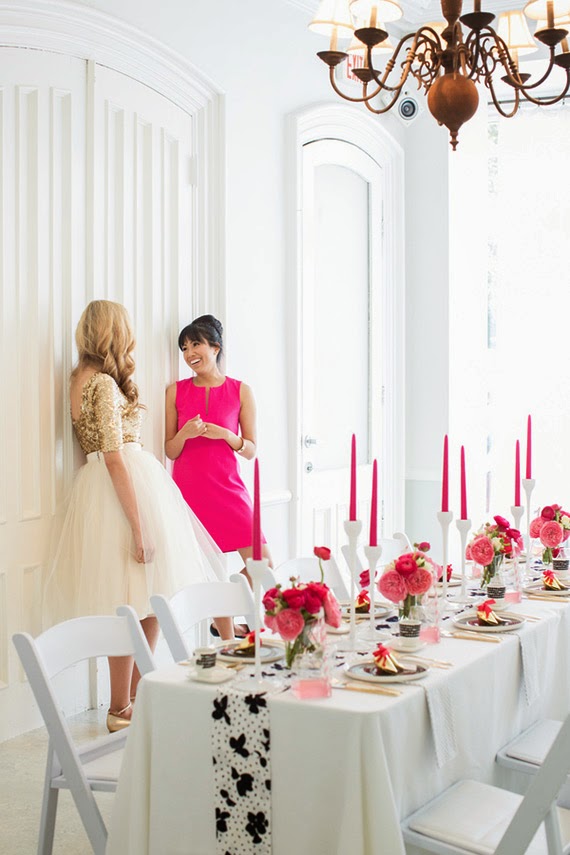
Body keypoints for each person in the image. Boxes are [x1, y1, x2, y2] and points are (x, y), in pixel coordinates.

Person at [45, 300, 231, 732]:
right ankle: (120, 705)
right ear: (115, 332)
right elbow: (113, 456)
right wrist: (139, 526)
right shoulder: (102, 383)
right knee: (133, 600)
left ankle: (135, 694)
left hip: (107, 485)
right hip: (123, 488)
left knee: (145, 597)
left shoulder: (79, 378)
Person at [165, 315, 272, 609]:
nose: (189, 353)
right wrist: (185, 434)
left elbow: (250, 450)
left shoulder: (241, 390)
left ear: (215, 347)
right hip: (190, 493)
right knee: (209, 573)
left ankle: (226, 612)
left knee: (262, 564)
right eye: (184, 348)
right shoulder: (175, 391)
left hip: (228, 488)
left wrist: (228, 435)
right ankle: (224, 628)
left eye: (195, 344)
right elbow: (170, 451)